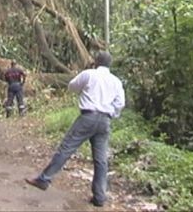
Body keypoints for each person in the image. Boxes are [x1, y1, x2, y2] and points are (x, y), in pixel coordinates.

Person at [25, 51, 125, 208]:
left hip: (88, 117)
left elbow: (72, 86)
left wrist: (83, 91)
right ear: (109, 64)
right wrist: (112, 113)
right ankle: (99, 197)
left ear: (96, 62)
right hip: (105, 120)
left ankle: (44, 179)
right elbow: (120, 103)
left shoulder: (89, 74)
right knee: (100, 159)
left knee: (66, 148)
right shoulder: (116, 81)